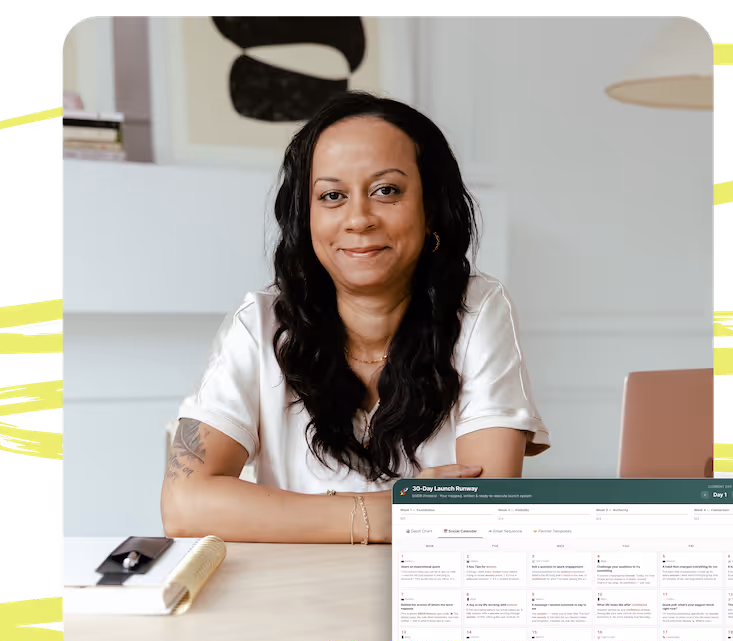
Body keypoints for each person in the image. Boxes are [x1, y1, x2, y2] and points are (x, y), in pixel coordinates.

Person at [161, 92, 549, 544]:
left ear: (431, 210)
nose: (359, 218)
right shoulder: (260, 324)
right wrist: (385, 514)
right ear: (306, 219)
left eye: (387, 190)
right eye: (332, 195)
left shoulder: (479, 310)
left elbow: (483, 508)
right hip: (291, 598)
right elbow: (184, 505)